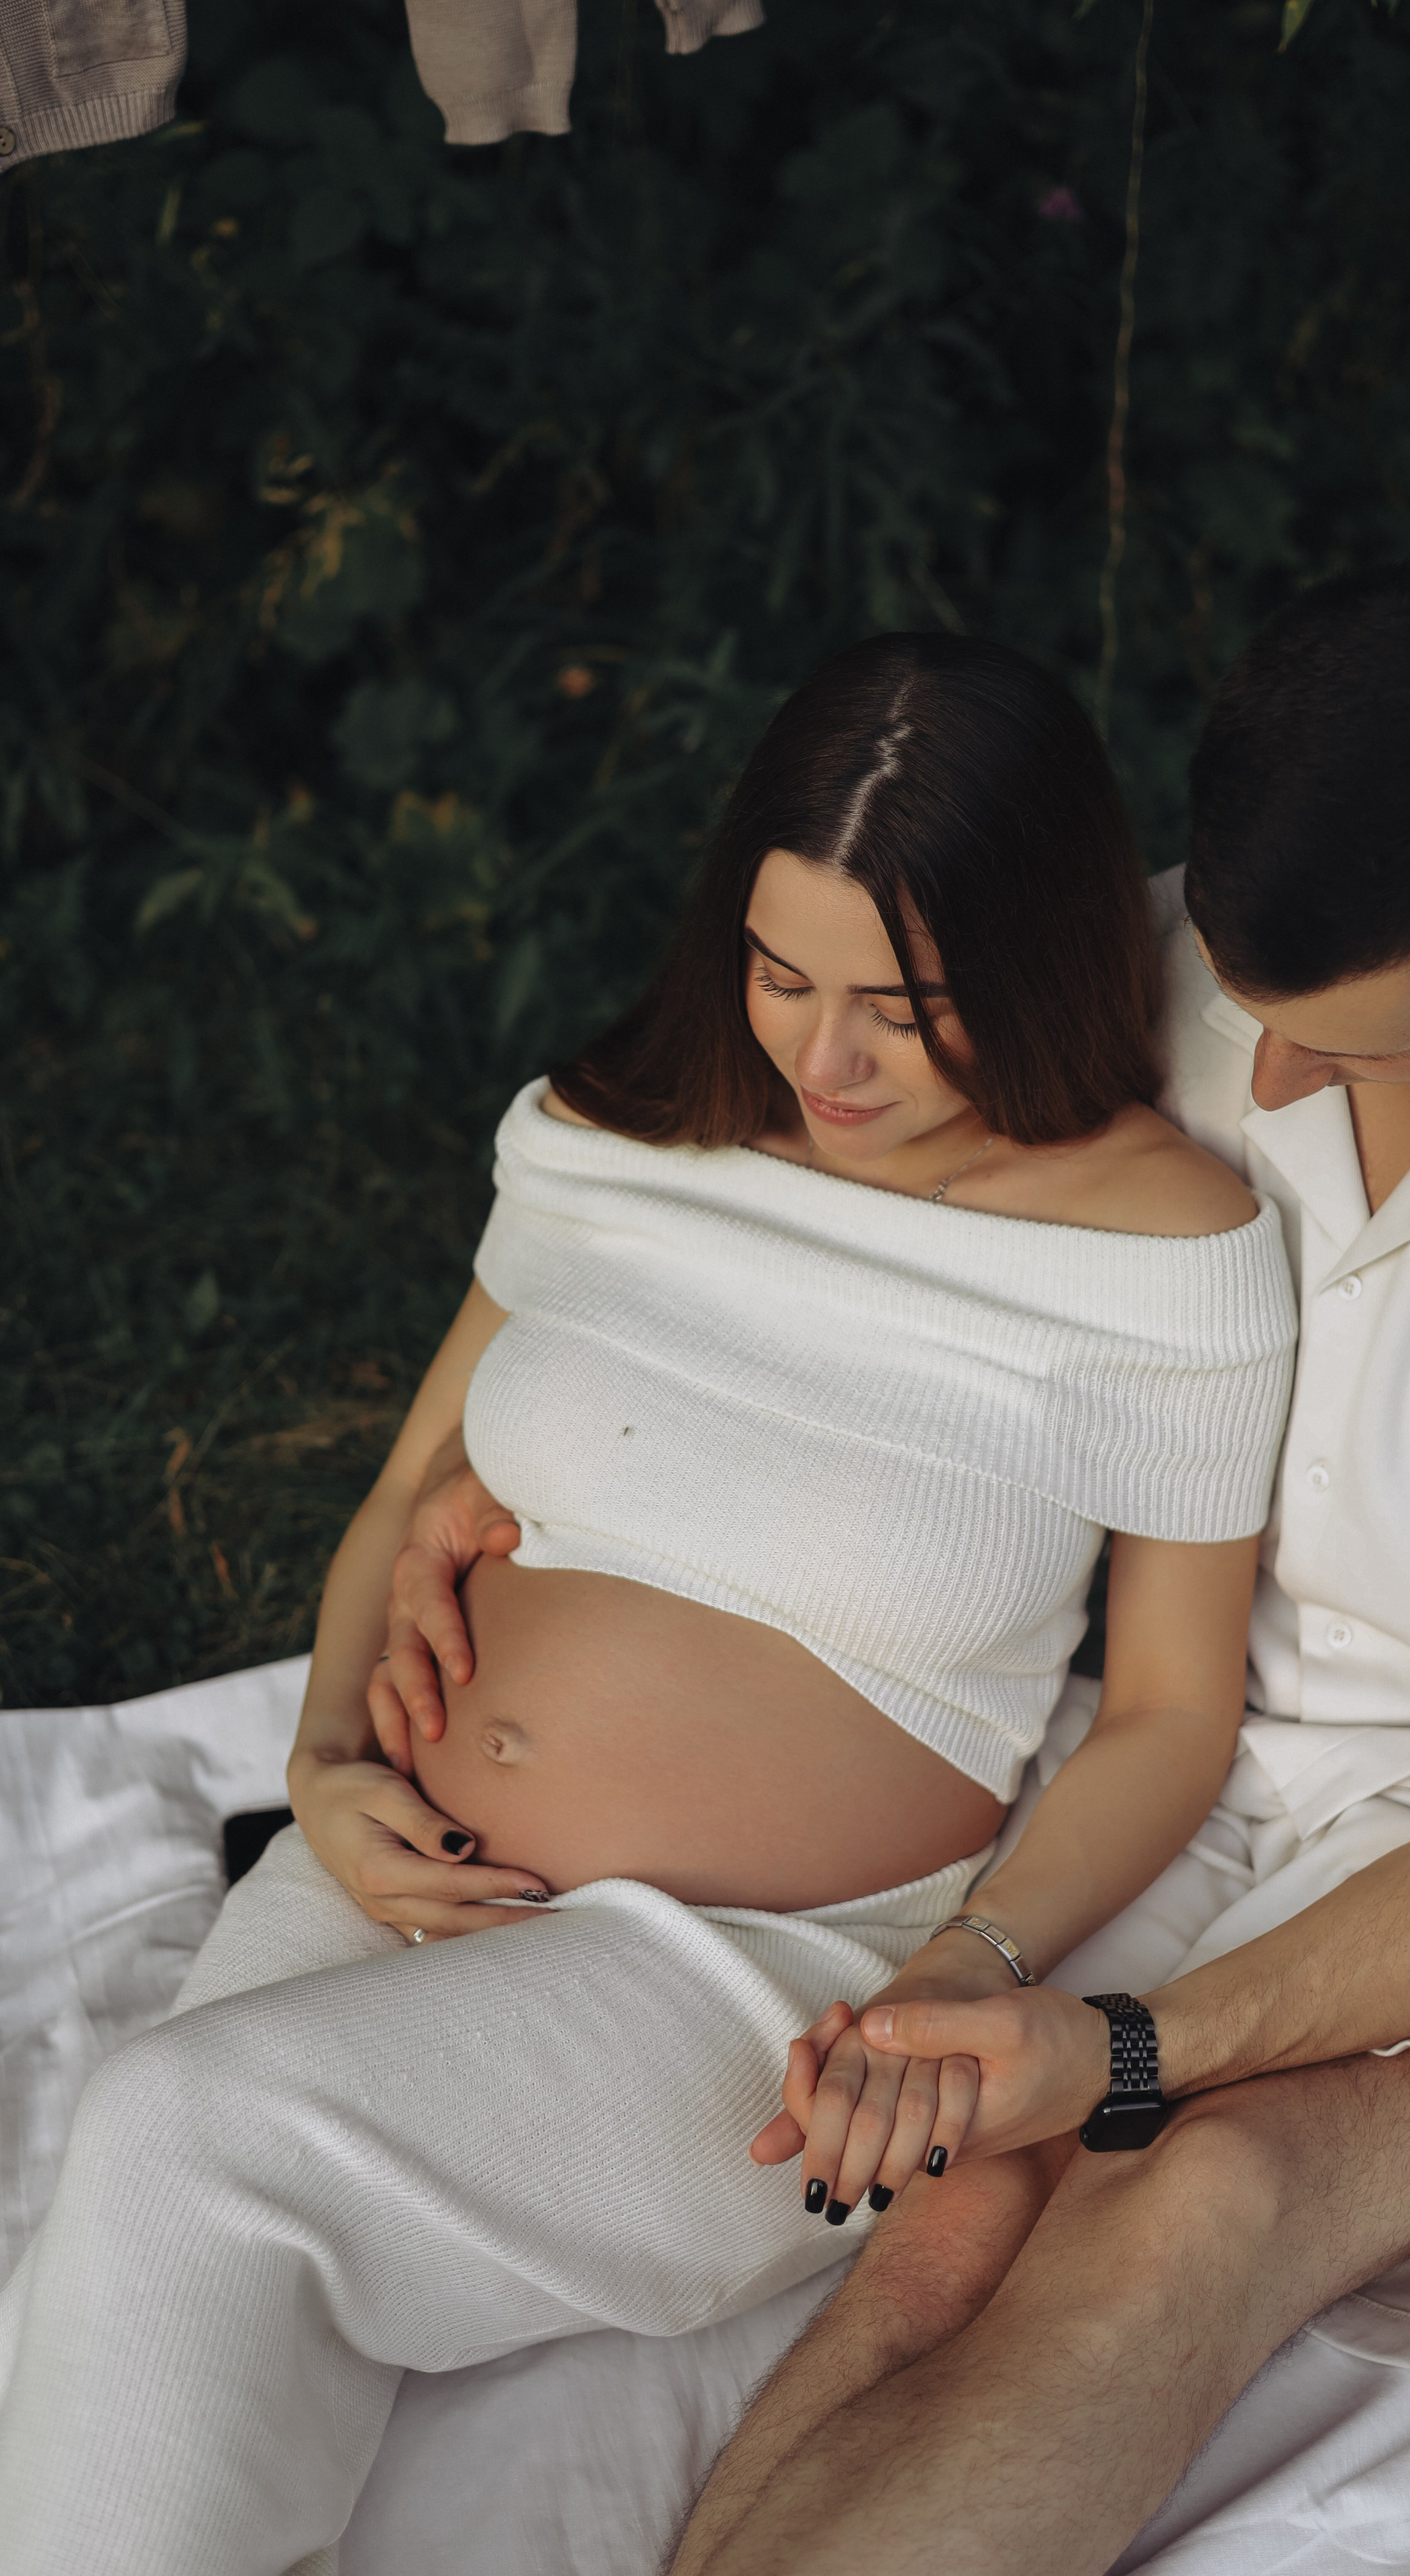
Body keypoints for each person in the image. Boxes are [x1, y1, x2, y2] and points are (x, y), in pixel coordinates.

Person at [0, 635, 1299, 2575]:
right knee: (130, 2295)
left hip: (770, 1986)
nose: (825, 1058)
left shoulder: (1163, 1246)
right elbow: (401, 1493)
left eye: (902, 1003)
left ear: (1031, 964)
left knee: (184, 2141)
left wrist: (982, 1962)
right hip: (397, 1864)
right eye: (783, 975)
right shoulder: (619, 1124)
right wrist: (325, 1751)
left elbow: (1172, 1713)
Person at [645, 571, 1410, 2576]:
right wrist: (487, 1452)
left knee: (1186, 2206)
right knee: (953, 2220)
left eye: (1345, 1052)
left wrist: (1138, 2053)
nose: (1270, 1086)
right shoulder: (1171, 946)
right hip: (1157, 1730)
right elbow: (815, 1190)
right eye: (1251, 1016)